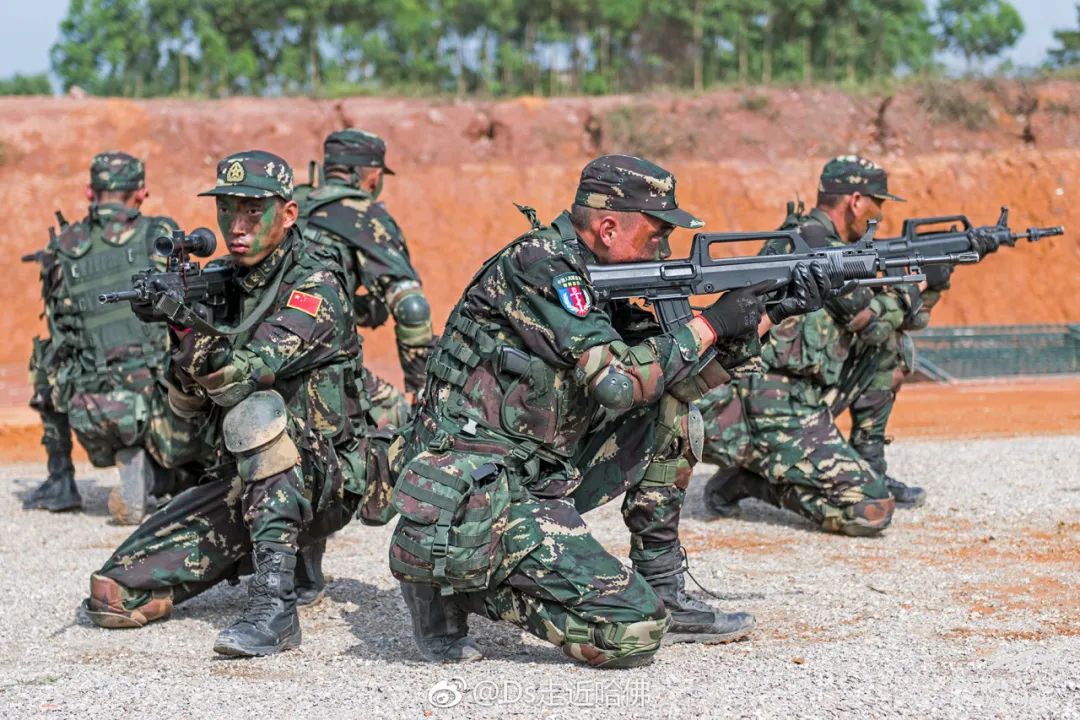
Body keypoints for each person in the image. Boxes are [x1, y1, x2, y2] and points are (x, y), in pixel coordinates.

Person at [389, 155, 832, 667]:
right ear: (607, 228)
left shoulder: (599, 275)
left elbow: (675, 374)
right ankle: (453, 582)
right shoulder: (541, 267)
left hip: (536, 472)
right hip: (472, 490)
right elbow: (619, 383)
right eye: (657, 234)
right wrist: (713, 322)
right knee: (633, 632)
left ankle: (663, 586)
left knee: (673, 408)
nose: (664, 249)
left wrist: (770, 312)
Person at [82, 151, 386, 657]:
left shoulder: (316, 286)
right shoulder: (223, 278)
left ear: (288, 214)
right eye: (226, 209)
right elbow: (184, 411)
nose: (236, 225)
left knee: (258, 418)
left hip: (328, 475)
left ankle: (274, 607)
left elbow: (249, 371)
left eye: (252, 210)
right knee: (112, 595)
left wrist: (196, 334)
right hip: (242, 477)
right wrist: (181, 339)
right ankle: (289, 556)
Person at [698, 156, 905, 535]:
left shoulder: (800, 237)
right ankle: (750, 483)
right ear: (856, 201)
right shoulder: (817, 249)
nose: (880, 213)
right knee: (871, 510)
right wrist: (911, 293)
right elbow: (872, 325)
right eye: (878, 203)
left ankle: (868, 462)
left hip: (802, 392)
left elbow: (883, 338)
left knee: (895, 347)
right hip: (772, 402)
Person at [22, 151, 189, 523]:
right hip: (161, 408)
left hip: (90, 410)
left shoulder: (62, 246)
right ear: (141, 193)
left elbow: (61, 332)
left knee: (45, 356)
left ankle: (60, 480)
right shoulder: (160, 235)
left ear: (89, 191)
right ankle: (169, 476)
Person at [300, 129, 432, 428]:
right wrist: (421, 386)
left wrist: (359, 308)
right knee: (402, 420)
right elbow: (412, 306)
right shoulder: (365, 215)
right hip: (315, 361)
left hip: (261, 347)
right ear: (373, 176)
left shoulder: (292, 205)